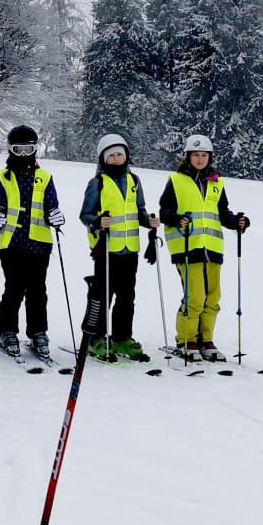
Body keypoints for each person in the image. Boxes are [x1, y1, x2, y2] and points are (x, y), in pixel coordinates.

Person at [157, 133, 251, 362]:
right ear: (187, 157)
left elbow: (222, 213)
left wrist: (237, 222)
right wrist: (177, 218)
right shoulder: (176, 181)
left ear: (210, 157)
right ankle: (186, 340)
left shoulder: (217, 183)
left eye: (204, 155)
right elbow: (164, 212)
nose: (200, 159)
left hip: (212, 248)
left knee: (213, 297)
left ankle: (206, 339)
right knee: (195, 296)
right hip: (187, 247)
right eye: (196, 155)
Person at [78, 133, 160, 361]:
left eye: (119, 154)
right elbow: (85, 214)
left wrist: (149, 222)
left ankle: (122, 337)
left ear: (126, 157)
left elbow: (139, 210)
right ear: (103, 159)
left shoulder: (134, 181)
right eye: (111, 155)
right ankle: (98, 337)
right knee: (103, 295)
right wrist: (96, 221)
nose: (116, 158)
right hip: (106, 249)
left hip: (129, 249)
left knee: (127, 296)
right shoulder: (97, 183)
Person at [0, 124, 66, 361]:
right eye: (18, 149)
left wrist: (56, 217)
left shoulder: (44, 177)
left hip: (39, 244)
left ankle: (37, 332)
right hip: (11, 243)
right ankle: (7, 331)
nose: (23, 154)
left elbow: (52, 205)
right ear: (10, 149)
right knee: (13, 288)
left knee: (37, 290)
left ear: (35, 149)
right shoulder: (2, 177)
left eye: (28, 149)